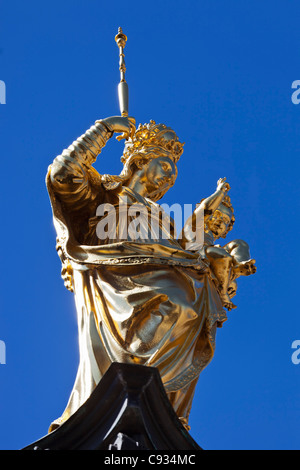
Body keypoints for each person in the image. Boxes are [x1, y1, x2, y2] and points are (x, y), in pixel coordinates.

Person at [46, 115, 228, 431]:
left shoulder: (166, 222)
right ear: (140, 160)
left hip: (161, 285)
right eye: (167, 165)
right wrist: (100, 132)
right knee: (176, 297)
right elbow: (63, 175)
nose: (172, 177)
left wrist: (203, 217)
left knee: (188, 299)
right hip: (116, 289)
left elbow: (190, 252)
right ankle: (130, 384)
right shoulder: (104, 194)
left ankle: (154, 398)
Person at [180, 177, 256, 310]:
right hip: (194, 252)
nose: (221, 222)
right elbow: (205, 209)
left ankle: (238, 265)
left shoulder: (218, 247)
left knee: (239, 243)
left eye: (225, 220)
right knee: (223, 256)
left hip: (213, 255)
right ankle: (222, 292)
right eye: (217, 215)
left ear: (226, 230)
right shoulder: (194, 225)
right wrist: (220, 192)